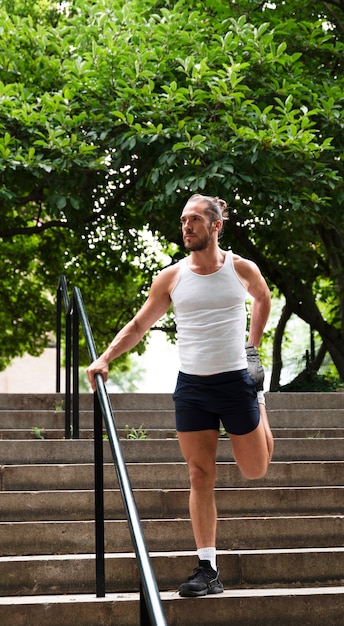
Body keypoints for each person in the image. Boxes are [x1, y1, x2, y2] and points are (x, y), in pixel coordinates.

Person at [86, 193, 274, 597]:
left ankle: (261, 399)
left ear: (215, 226)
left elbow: (263, 298)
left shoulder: (241, 268)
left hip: (236, 382)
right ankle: (208, 568)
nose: (186, 227)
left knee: (255, 468)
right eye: (183, 220)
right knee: (199, 473)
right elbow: (139, 324)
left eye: (193, 220)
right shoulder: (171, 278)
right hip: (192, 387)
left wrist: (252, 346)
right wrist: (105, 357)